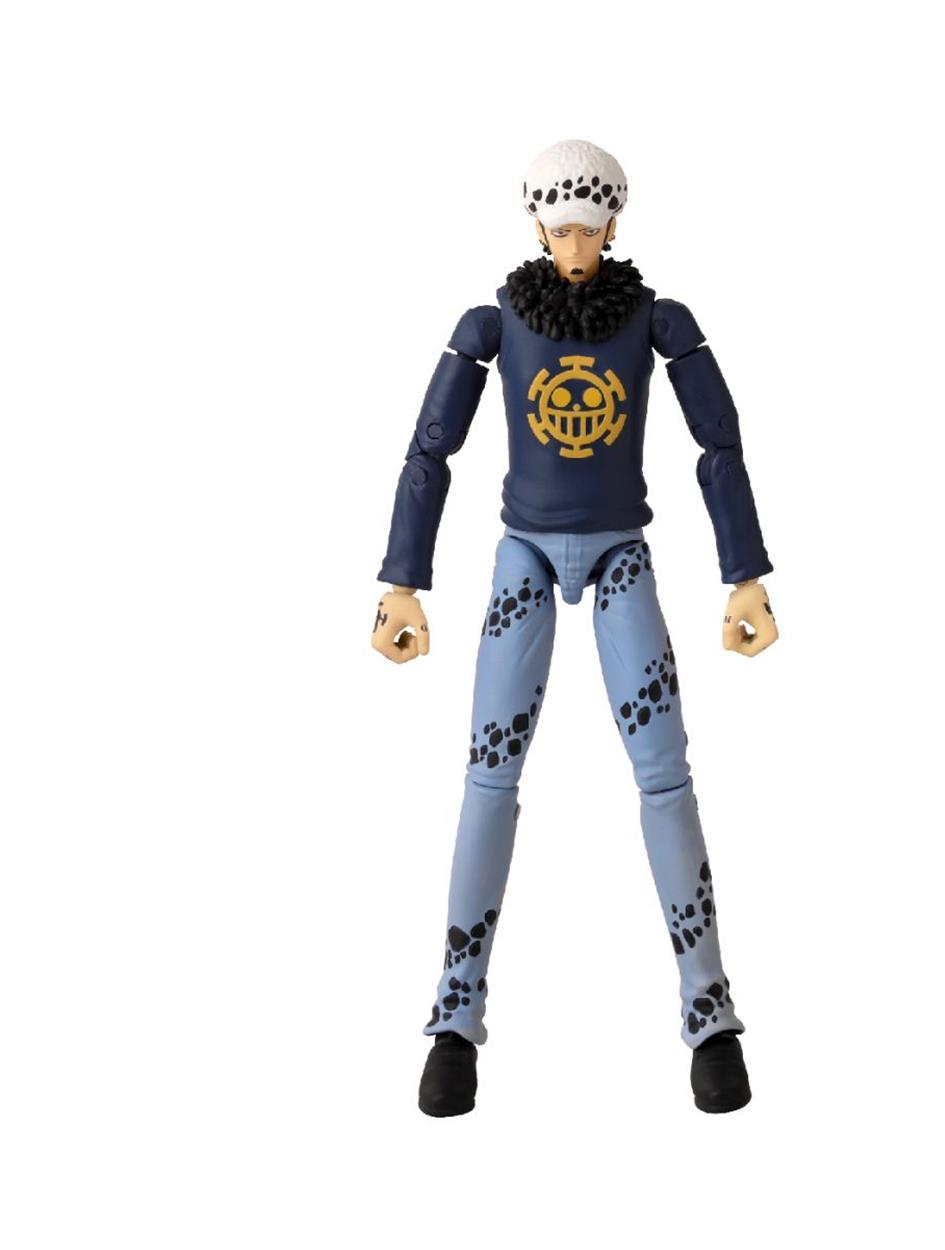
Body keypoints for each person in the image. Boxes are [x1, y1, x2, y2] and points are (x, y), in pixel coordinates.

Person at [372, 140, 778, 1116]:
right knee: (488, 772)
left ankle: (709, 1010)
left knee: (664, 771)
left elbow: (717, 442)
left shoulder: (654, 321)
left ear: (612, 227)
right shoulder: (494, 322)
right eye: (559, 230)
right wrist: (402, 580)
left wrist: (745, 574)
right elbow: (431, 449)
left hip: (619, 550)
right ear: (537, 228)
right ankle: (454, 1015)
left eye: (587, 231)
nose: (574, 246)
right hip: (522, 549)